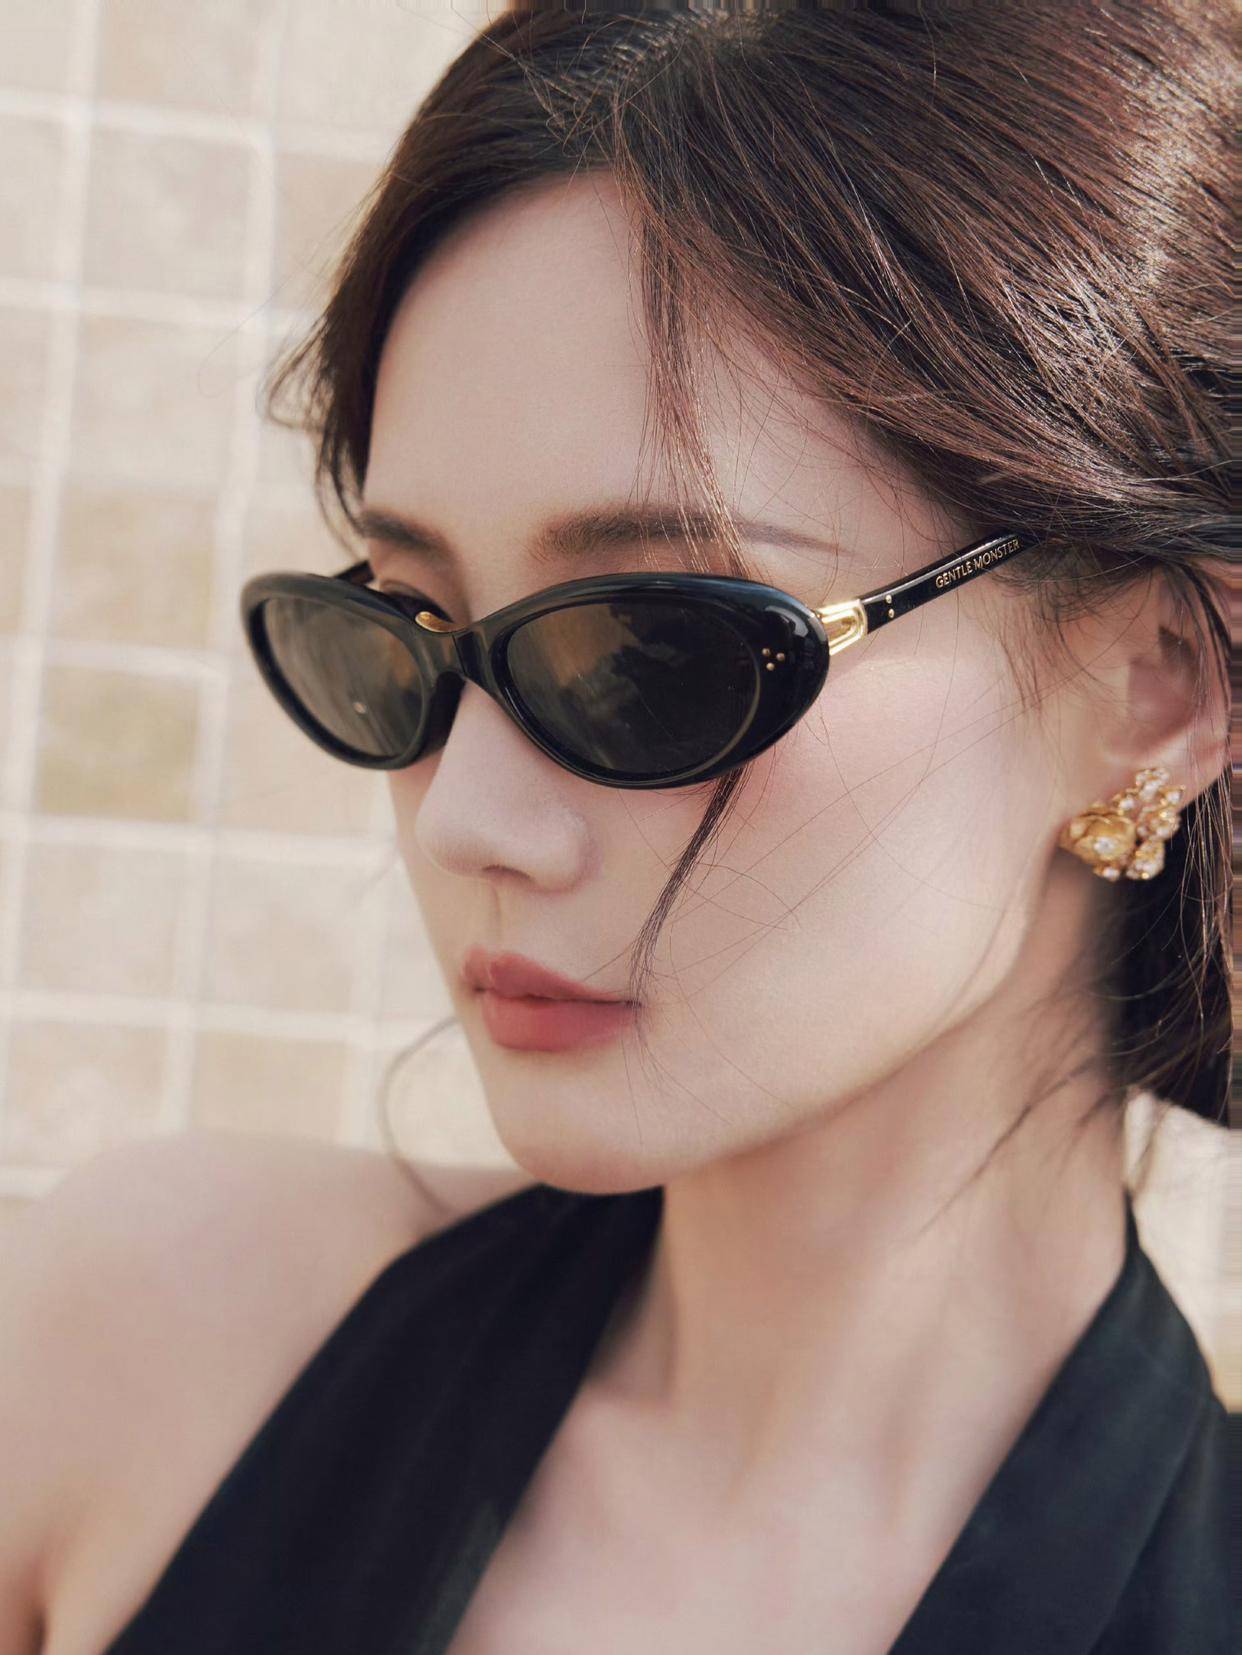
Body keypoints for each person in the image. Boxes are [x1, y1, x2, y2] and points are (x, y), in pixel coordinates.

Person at [1, 6, 1232, 1653]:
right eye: (403, 628)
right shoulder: (148, 1347)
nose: (467, 819)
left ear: (1157, 686)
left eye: (657, 653)